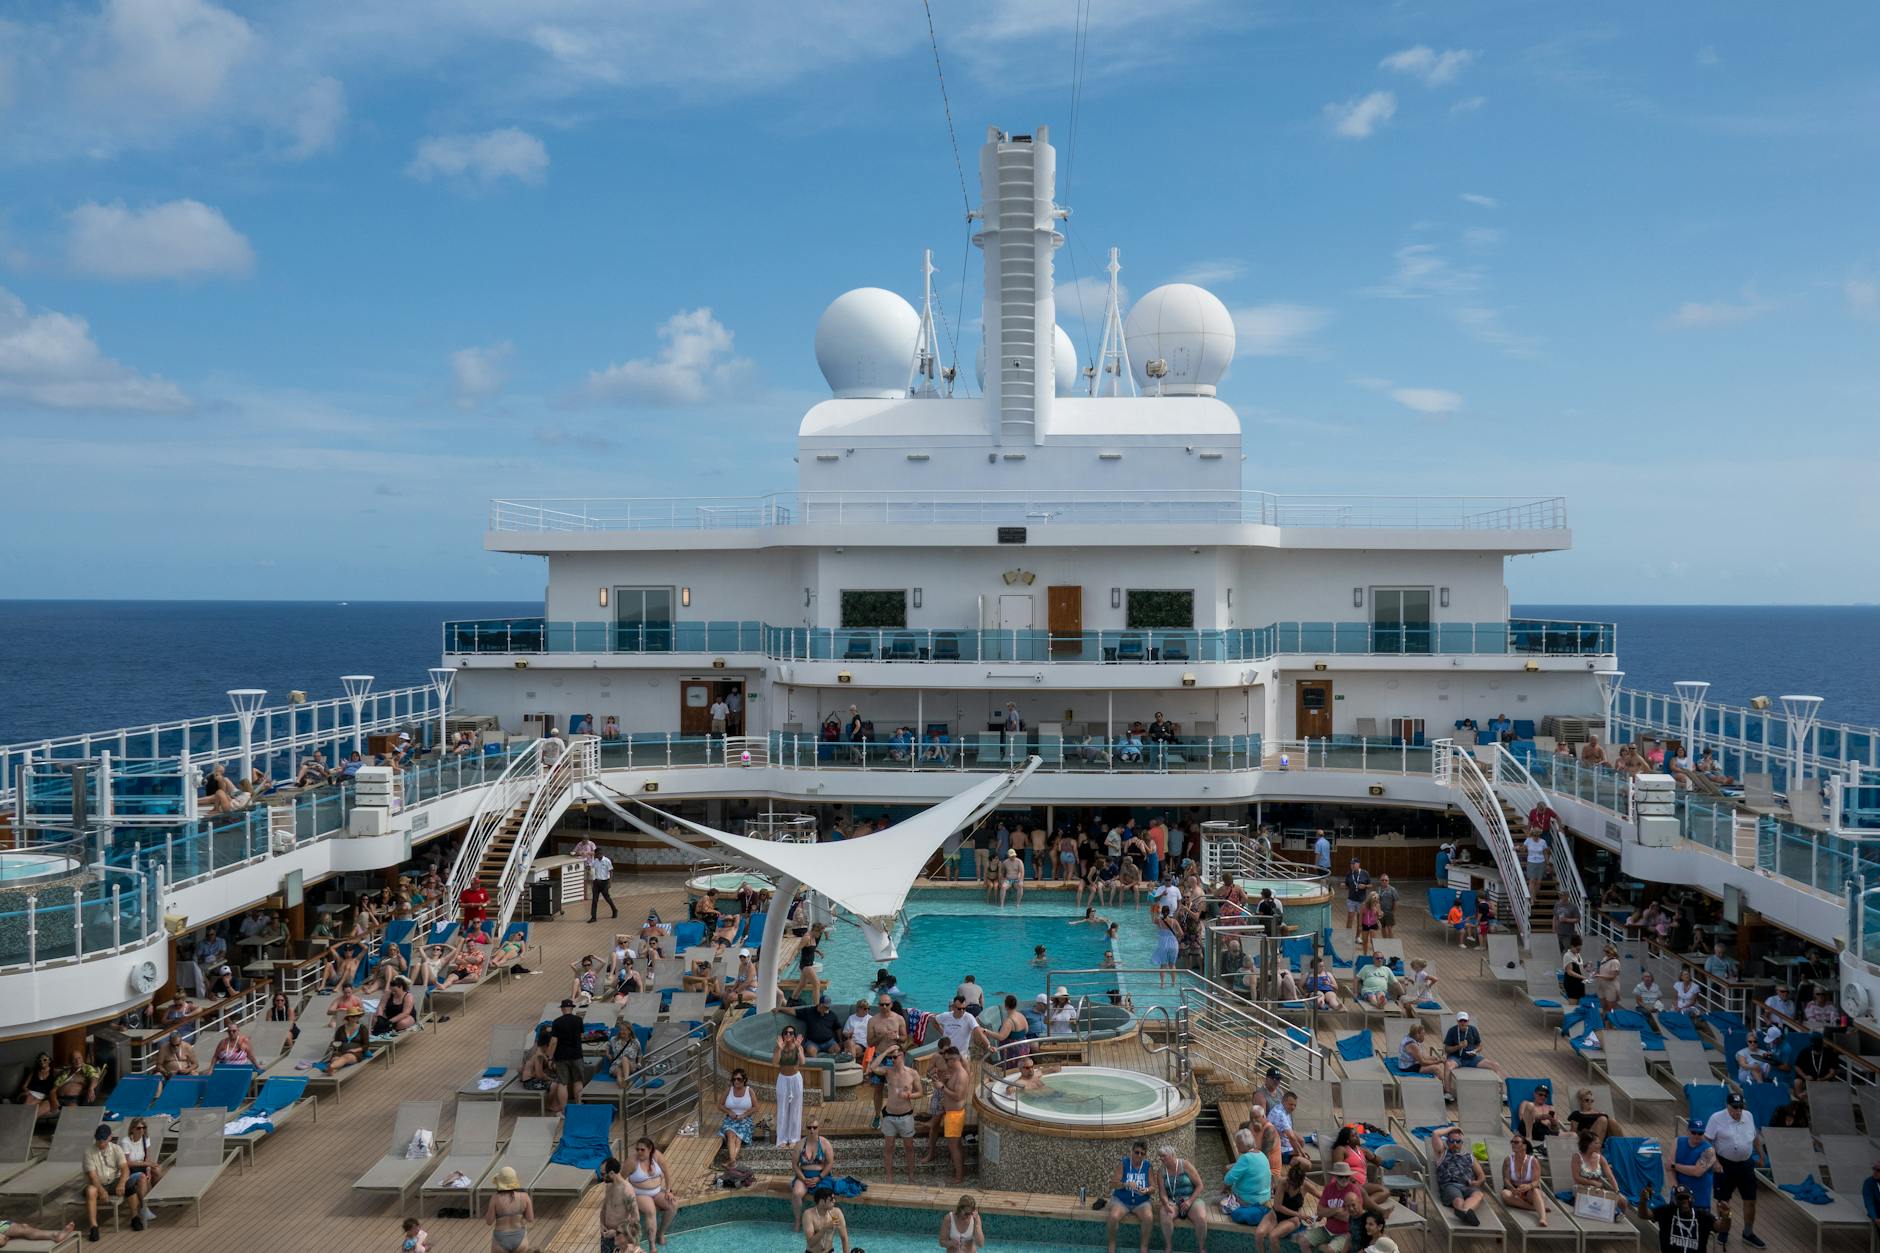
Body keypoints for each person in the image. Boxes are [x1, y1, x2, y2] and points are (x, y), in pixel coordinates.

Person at [1705, 1091, 1766, 1248]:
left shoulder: (1748, 1116)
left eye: (1740, 1107)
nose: (1738, 1111)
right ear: (1727, 1106)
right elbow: (1707, 1141)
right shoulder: (1716, 1118)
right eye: (1734, 1108)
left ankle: (1748, 1233)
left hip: (1746, 1164)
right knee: (1723, 1201)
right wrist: (1715, 1162)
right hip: (1725, 1164)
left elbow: (1755, 1137)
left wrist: (1760, 1155)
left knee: (1750, 1200)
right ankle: (1724, 1230)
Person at [84, 1121, 149, 1238]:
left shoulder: (116, 1149)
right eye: (99, 1140)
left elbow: (125, 1168)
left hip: (113, 1181)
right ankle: (94, 1227)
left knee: (130, 1185)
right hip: (98, 1183)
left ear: (110, 1137)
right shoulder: (89, 1152)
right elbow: (92, 1176)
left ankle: (135, 1217)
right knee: (91, 1191)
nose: (101, 1142)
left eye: (103, 1140)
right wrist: (101, 1190)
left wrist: (122, 1183)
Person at [874, 1044, 921, 1183]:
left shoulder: (912, 1073)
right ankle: (889, 1177)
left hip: (906, 1116)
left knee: (909, 1147)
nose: (892, 1060)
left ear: (903, 1056)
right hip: (889, 1116)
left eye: (895, 1057)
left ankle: (911, 1176)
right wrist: (886, 1051)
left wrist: (909, 1096)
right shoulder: (888, 1072)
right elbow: (872, 1067)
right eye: (891, 1058)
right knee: (888, 1147)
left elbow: (920, 1092)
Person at [1150, 1144, 1209, 1250]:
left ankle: (1202, 1247)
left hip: (1191, 1199)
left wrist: (1190, 1201)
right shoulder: (1161, 1171)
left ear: (1172, 1155)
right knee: (1165, 1215)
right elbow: (1162, 1192)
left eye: (1164, 1156)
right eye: (1160, 1156)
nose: (1161, 1158)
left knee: (1201, 1217)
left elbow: (1200, 1185)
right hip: (1173, 1201)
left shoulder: (1185, 1165)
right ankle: (1168, 1246)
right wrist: (1165, 1202)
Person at [1106, 1140, 1157, 1253]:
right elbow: (1113, 1183)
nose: (1139, 1155)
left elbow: (1153, 1188)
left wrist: (1147, 1190)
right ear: (1132, 1152)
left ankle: (1144, 1247)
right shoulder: (1124, 1163)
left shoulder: (1147, 1166)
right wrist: (1126, 1184)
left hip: (1141, 1202)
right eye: (1136, 1152)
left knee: (1148, 1217)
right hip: (1122, 1201)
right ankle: (1112, 1244)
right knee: (1113, 1217)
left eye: (1142, 1153)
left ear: (1145, 1155)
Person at [625, 1137, 677, 1248]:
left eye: (642, 1149)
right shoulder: (632, 1161)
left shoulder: (656, 1155)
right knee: (650, 1210)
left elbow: (667, 1171)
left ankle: (661, 1233)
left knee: (673, 1205)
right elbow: (621, 1179)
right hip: (640, 1194)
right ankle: (651, 1244)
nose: (639, 1152)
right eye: (637, 1149)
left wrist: (668, 1190)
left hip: (657, 1191)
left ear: (650, 1149)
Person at [1432, 1126, 1487, 1227]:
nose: (1455, 1144)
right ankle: (1466, 1212)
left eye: (1458, 1141)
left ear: (1462, 1143)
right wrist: (1454, 1127)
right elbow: (1435, 1133)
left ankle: (1464, 1211)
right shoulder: (1442, 1153)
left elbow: (1481, 1175)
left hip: (1467, 1186)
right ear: (1447, 1142)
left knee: (1479, 1195)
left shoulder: (1470, 1157)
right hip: (1450, 1185)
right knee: (1458, 1200)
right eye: (1452, 1141)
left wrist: (1478, 1182)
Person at [1303, 1159, 1361, 1249]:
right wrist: (1337, 1210)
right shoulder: (1329, 1188)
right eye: (1341, 1177)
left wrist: (1328, 1214)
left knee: (1329, 1250)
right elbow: (1319, 1211)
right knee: (1303, 1241)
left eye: (1347, 1176)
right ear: (1335, 1176)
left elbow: (1349, 1217)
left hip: (1346, 1233)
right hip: (1327, 1229)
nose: (1344, 1179)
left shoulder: (1354, 1191)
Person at [1254, 1159, 1310, 1253]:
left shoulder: (1306, 1185)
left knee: (1273, 1236)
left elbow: (1323, 1196)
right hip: (1275, 1214)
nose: (1291, 1185)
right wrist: (1299, 1214)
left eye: (1293, 1184)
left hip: (1292, 1219)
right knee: (1259, 1234)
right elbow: (1277, 1206)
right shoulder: (1283, 1182)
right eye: (1290, 1182)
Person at [1221, 1126, 1271, 1226]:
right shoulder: (1261, 1154)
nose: (1236, 1146)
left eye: (1237, 1144)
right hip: (1265, 1197)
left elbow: (1228, 1180)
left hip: (1250, 1199)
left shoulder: (1245, 1158)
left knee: (1216, 1200)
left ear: (1242, 1144)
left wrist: (1224, 1188)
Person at [1571, 1129, 1628, 1217]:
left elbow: (1610, 1176)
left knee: (1623, 1200)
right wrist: (1592, 1182)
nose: (1600, 1145)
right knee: (1600, 1198)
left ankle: (1620, 1217)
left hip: (1597, 1190)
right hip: (1581, 1188)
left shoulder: (1600, 1158)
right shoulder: (1577, 1157)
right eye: (1596, 1143)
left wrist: (1617, 1191)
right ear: (1588, 1144)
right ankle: (1614, 1214)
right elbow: (1576, 1177)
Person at [790, 1117, 834, 1230]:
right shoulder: (800, 1145)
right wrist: (803, 1179)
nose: (812, 1130)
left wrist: (819, 1178)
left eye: (815, 1127)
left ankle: (821, 1222)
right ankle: (798, 1221)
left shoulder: (825, 1143)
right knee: (796, 1193)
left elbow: (829, 1163)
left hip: (821, 1176)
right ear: (806, 1129)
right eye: (809, 1127)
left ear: (819, 1128)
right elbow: (795, 1165)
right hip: (804, 1176)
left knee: (824, 1197)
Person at [1670, 1119, 1716, 1219]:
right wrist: (1674, 1186)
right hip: (1679, 1197)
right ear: (1688, 1131)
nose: (1696, 1135)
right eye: (1693, 1132)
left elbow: (1697, 1172)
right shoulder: (1678, 1141)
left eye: (1700, 1133)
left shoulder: (1709, 1151)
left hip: (1699, 1200)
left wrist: (1675, 1166)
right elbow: (1670, 1167)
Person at [1649, 1184, 1715, 1253]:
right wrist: (1643, 1201)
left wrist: (1726, 1217)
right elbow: (1644, 1215)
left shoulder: (1702, 1216)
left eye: (1686, 1198)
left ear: (1692, 1199)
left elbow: (1721, 1227)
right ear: (1675, 1201)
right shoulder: (1667, 1211)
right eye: (1680, 1199)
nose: (1684, 1201)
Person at [1501, 1134, 1550, 1227]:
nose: (1513, 1144)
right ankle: (1534, 1208)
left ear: (1524, 1145)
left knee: (1535, 1191)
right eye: (1512, 1142)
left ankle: (1543, 1218)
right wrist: (1513, 1189)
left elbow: (1536, 1181)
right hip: (1515, 1191)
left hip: (1530, 1191)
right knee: (1504, 1194)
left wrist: (1528, 1186)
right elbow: (1506, 1180)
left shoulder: (1533, 1160)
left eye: (1516, 1142)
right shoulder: (1508, 1160)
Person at [482, 1164, 533, 1253]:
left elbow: (489, 1221)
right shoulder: (524, 1196)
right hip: (520, 1237)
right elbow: (530, 1218)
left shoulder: (495, 1198)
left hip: (500, 1238)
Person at [547, 997, 586, 1113]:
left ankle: (564, 1109)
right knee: (578, 1081)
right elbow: (581, 1037)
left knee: (563, 1083)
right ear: (571, 1008)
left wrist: (550, 1058)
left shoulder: (557, 1022)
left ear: (562, 1009)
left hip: (561, 1056)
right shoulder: (578, 1020)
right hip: (576, 1054)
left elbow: (554, 1042)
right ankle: (578, 1107)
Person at [596, 1157, 640, 1253]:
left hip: (621, 1238)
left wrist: (616, 1232)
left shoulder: (627, 1191)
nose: (601, 1176)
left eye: (603, 1174)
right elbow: (604, 1208)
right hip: (606, 1236)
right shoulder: (609, 1186)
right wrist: (602, 1224)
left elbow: (636, 1219)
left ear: (611, 1173)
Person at [1443, 1011, 1505, 1078]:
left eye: (1465, 1021)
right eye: (1461, 1021)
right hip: (1456, 1058)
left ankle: (1498, 1087)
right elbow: (1447, 1049)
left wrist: (1475, 1051)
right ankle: (1447, 1088)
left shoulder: (1473, 1030)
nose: (1463, 1023)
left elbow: (1480, 1046)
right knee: (1448, 1065)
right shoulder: (1452, 1031)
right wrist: (1459, 1046)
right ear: (1457, 1021)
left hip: (1471, 1059)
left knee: (1495, 1065)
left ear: (1468, 1021)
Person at [772, 1024, 806, 1148]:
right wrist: (779, 1048)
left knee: (796, 1109)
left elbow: (802, 1062)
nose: (788, 1035)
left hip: (795, 1079)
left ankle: (794, 1138)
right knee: (782, 1109)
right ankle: (781, 1139)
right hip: (783, 1079)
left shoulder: (798, 1047)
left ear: (794, 1036)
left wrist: (798, 1047)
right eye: (786, 1033)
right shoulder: (778, 1047)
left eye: (791, 1033)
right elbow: (775, 1062)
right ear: (783, 1035)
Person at [1397, 1022, 1454, 1093]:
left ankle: (1439, 1086)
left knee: (1434, 1058)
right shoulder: (1412, 1045)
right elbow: (1422, 1062)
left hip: (1410, 1061)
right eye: (1423, 1034)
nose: (1424, 1036)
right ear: (1417, 1034)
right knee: (1437, 1068)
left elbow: (1420, 1057)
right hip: (1407, 1067)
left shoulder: (1410, 1037)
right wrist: (1439, 1061)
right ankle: (1443, 1092)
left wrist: (1436, 1060)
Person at [718, 1068, 756, 1169]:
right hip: (730, 1119)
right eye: (734, 1079)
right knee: (731, 1135)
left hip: (745, 1120)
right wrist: (729, 1112)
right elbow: (720, 1105)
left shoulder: (749, 1091)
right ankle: (733, 1161)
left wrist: (744, 1115)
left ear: (744, 1080)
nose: (736, 1081)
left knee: (738, 1139)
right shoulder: (728, 1090)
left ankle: (731, 1161)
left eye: (738, 1079)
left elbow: (756, 1107)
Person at [802, 1185, 850, 1253]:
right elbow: (810, 1243)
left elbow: (844, 1238)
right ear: (821, 1201)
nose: (834, 1201)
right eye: (831, 1199)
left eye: (834, 1198)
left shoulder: (836, 1213)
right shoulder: (809, 1215)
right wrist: (825, 1228)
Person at [587, 850, 617, 923]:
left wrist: (610, 882)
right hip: (596, 882)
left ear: (602, 854)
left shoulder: (607, 861)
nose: (598, 856)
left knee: (607, 898)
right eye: (596, 855)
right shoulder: (595, 861)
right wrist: (588, 868)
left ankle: (614, 910)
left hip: (604, 882)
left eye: (599, 854)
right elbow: (591, 867)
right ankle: (593, 917)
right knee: (594, 900)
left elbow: (611, 871)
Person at [1344, 858, 1371, 933]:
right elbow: (1347, 886)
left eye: (1354, 864)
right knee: (1350, 919)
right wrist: (1343, 886)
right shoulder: (1349, 874)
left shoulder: (1364, 873)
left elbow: (1370, 885)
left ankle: (1358, 937)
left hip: (1361, 901)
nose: (1352, 865)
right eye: (1351, 864)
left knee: (1360, 920)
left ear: (1358, 864)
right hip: (1351, 899)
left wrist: (1365, 886)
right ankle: (1348, 937)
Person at [1376, 875, 1400, 939]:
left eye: (1386, 880)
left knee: (1389, 929)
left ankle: (1391, 944)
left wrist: (1393, 912)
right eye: (1382, 880)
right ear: (1380, 881)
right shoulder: (1379, 889)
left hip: (1389, 912)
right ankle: (1385, 943)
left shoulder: (1392, 889)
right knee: (1383, 928)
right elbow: (1377, 901)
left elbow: (1396, 902)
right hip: (1381, 912)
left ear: (1388, 881)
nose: (1384, 881)